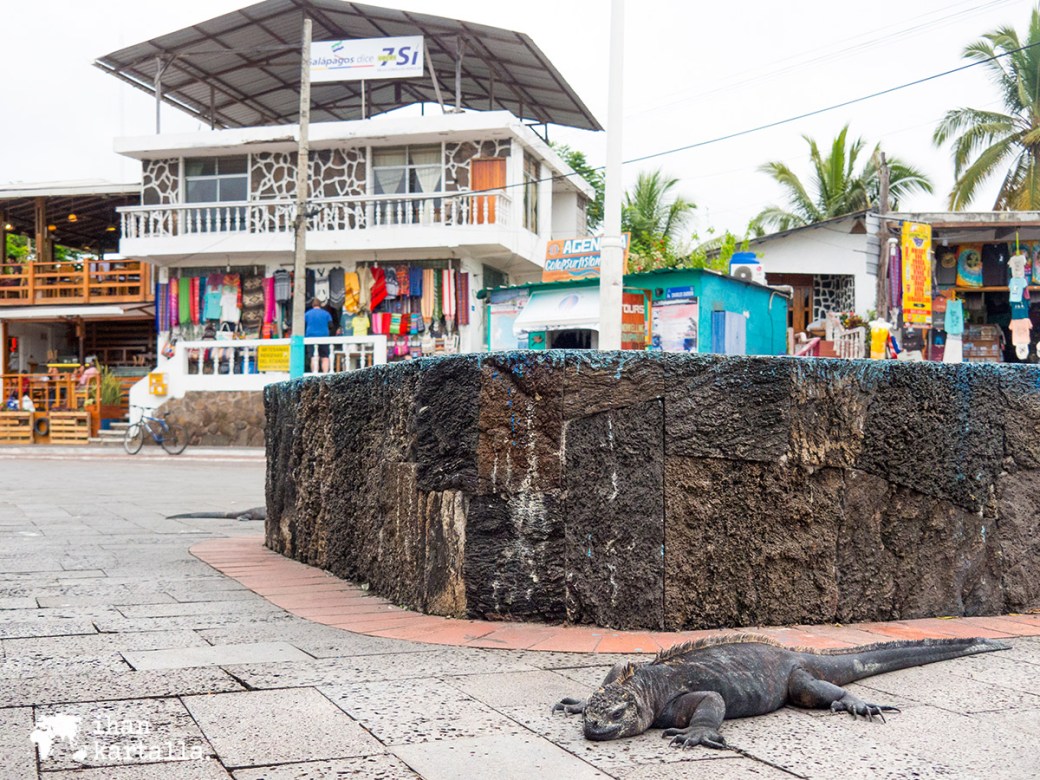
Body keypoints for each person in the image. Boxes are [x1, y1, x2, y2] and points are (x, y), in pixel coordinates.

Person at [304, 297, 333, 373]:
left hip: (310, 337)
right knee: (325, 356)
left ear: (312, 305)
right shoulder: (326, 314)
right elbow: (331, 325)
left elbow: (304, 325)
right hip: (324, 337)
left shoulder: (307, 314)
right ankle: (325, 373)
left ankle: (314, 373)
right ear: (320, 305)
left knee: (313, 357)